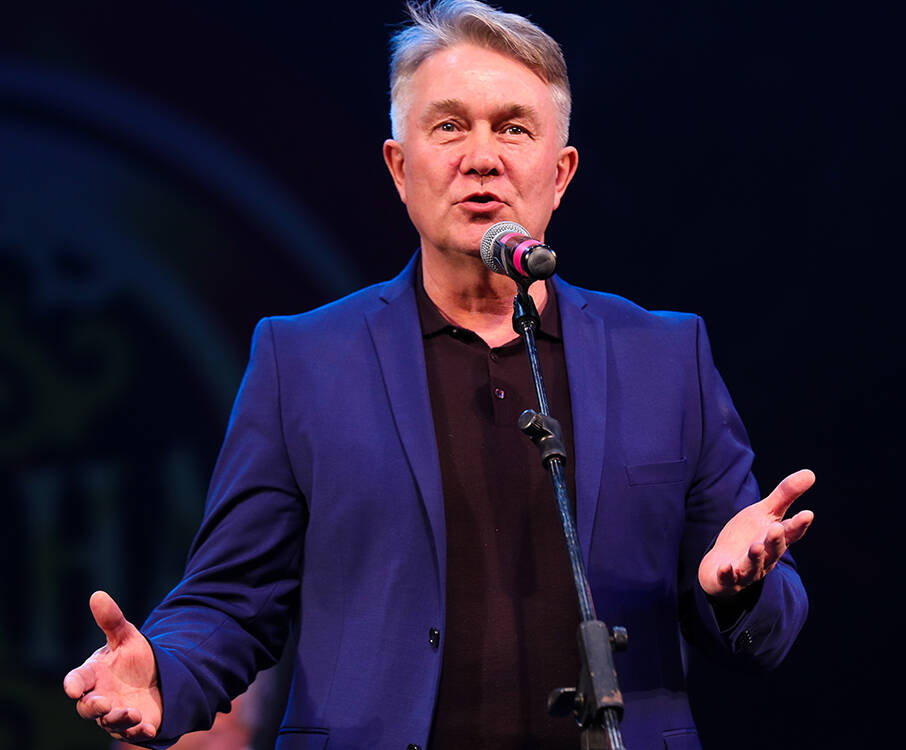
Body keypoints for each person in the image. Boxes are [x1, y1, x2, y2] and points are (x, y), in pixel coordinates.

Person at [63, 1, 816, 747]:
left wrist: (742, 588)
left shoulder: (664, 357)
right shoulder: (304, 361)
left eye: (513, 128)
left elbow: (765, 623)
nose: (481, 157)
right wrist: (164, 674)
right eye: (449, 126)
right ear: (400, 167)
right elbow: (233, 599)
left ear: (560, 174)